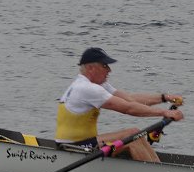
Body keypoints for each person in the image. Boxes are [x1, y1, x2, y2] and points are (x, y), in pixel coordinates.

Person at [55, 47, 184, 162]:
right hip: (74, 147)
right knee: (132, 136)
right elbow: (128, 109)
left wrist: (164, 98)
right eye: (105, 65)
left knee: (134, 133)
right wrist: (164, 112)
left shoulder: (96, 85)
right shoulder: (87, 89)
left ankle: (157, 168)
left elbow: (130, 100)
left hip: (86, 141)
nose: (109, 70)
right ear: (90, 68)